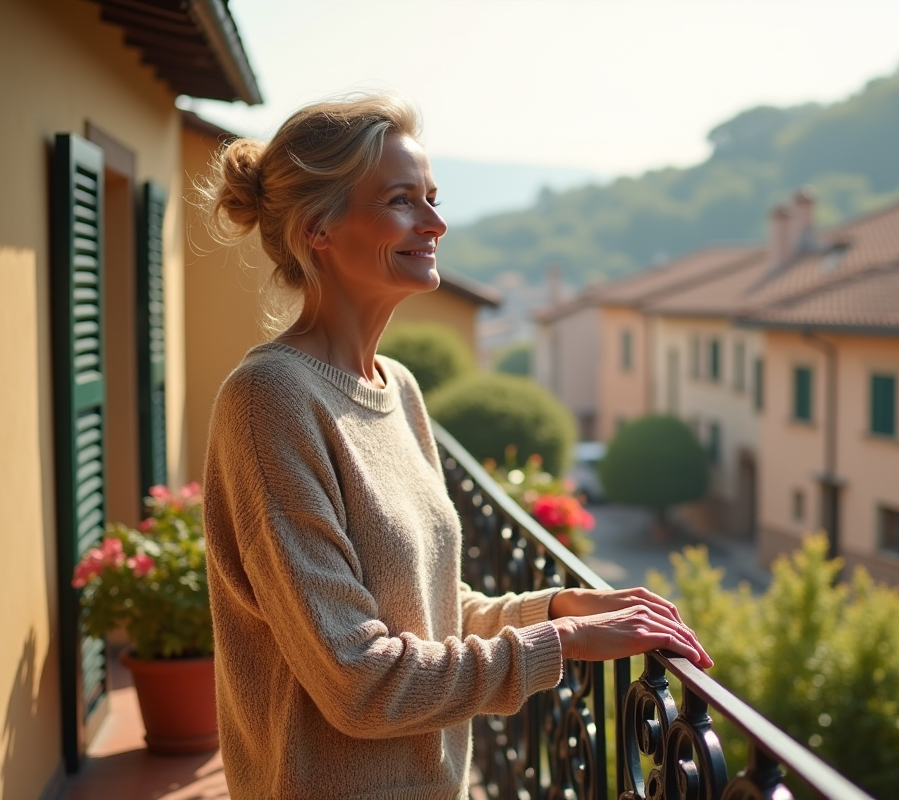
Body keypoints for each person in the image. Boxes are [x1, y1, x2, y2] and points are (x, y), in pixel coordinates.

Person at [198, 94, 711, 800]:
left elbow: (431, 612)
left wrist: (556, 609)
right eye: (402, 200)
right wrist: (559, 648)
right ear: (319, 227)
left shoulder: (397, 388)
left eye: (432, 197)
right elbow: (360, 680)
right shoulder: (270, 400)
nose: (436, 222)